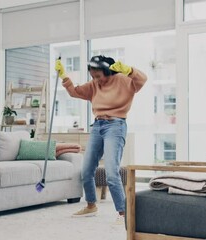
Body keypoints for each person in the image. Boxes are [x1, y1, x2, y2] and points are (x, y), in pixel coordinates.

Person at [55, 55, 147, 224]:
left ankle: (123, 213)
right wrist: (64, 76)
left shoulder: (123, 80)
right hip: (97, 126)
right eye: (92, 76)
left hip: (116, 125)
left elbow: (142, 79)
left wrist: (129, 70)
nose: (96, 80)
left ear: (108, 71)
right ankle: (91, 206)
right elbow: (75, 92)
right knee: (86, 170)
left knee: (112, 173)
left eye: (98, 76)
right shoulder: (94, 85)